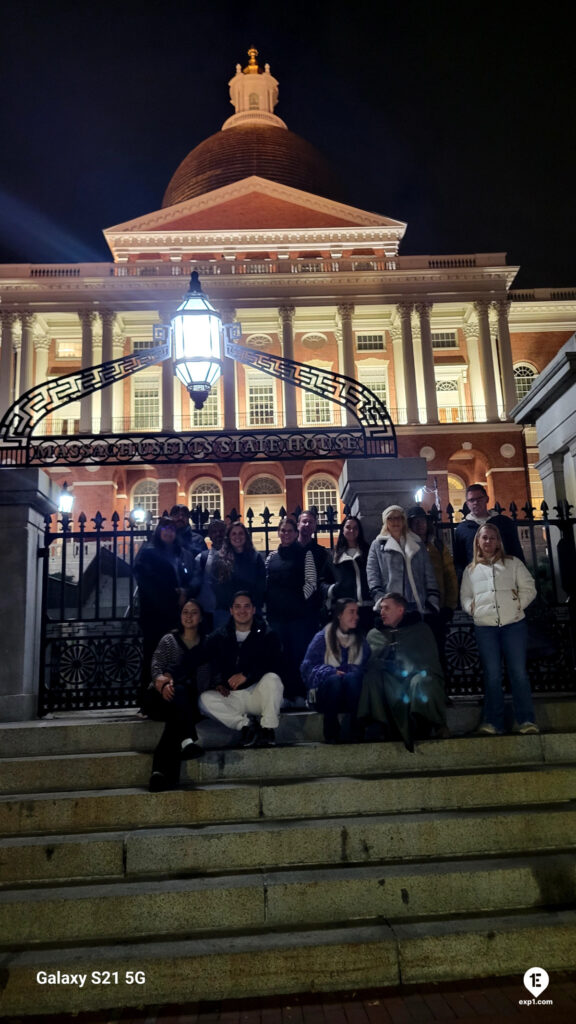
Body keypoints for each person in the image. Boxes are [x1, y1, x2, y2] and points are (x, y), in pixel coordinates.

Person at [460, 523, 538, 735]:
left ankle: (526, 720)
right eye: (484, 538)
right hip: (486, 627)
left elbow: (529, 587)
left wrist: (517, 605)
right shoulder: (471, 570)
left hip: (513, 625)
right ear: (478, 541)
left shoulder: (513, 564)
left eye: (492, 538)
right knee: (492, 674)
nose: (488, 542)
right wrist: (472, 608)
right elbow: (465, 596)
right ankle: (493, 721)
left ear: (498, 541)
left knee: (518, 673)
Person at [358, 592, 448, 751]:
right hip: (387, 680)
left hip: (414, 676)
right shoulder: (375, 634)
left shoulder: (420, 630)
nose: (381, 612)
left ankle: (426, 723)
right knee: (371, 678)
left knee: (423, 681)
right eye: (381, 608)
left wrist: (409, 669)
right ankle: (378, 724)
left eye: (386, 608)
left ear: (400, 610)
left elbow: (430, 662)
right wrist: (386, 663)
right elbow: (368, 663)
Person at [199, 591, 283, 747]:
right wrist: (217, 682)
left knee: (273, 679)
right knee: (204, 699)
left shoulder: (267, 634)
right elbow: (201, 658)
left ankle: (267, 728)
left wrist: (247, 675)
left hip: (256, 693)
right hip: (232, 696)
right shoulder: (219, 636)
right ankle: (246, 726)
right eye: (237, 607)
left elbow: (275, 662)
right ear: (231, 610)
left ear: (253, 609)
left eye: (246, 606)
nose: (242, 611)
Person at [143, 600, 206, 792]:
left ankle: (160, 774)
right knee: (178, 695)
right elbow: (156, 665)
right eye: (185, 612)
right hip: (160, 698)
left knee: (176, 717)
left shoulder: (206, 643)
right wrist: (162, 683)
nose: (188, 616)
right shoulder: (169, 640)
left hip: (186, 703)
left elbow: (207, 676)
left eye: (194, 612)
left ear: (201, 617)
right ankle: (187, 740)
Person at [134, 517, 196, 693]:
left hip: (174, 613)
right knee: (152, 656)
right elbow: (145, 580)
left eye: (172, 529)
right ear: (159, 532)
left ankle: (169, 695)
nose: (168, 532)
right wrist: (172, 592)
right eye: (165, 529)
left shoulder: (178, 554)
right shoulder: (148, 552)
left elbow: (186, 577)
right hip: (154, 614)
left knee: (173, 657)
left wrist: (184, 591)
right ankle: (147, 700)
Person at [301, 598, 370, 743]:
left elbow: (366, 667)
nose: (356, 616)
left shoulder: (360, 640)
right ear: (339, 615)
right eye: (351, 612)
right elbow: (307, 667)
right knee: (334, 680)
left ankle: (357, 729)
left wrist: (350, 672)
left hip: (351, 692)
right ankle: (331, 730)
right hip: (326, 693)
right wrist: (330, 671)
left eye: (357, 612)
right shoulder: (323, 637)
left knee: (353, 678)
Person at [265, 516, 317, 702]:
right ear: (279, 533)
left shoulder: (305, 554)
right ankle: (284, 694)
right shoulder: (271, 557)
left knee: (298, 654)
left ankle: (300, 692)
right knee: (281, 654)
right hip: (276, 616)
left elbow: (311, 582)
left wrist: (297, 600)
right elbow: (266, 583)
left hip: (298, 616)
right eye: (283, 530)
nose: (286, 534)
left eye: (289, 531)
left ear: (296, 533)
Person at [406, 505, 458, 672]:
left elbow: (450, 575)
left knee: (438, 653)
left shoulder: (438, 546)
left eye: (422, 521)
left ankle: (441, 693)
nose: (420, 525)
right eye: (415, 522)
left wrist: (449, 605)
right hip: (414, 608)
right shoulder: (406, 547)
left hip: (437, 607)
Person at [366, 505, 440, 619]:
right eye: (391, 518)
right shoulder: (377, 545)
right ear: (385, 521)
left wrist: (432, 599)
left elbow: (429, 573)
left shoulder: (417, 543)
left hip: (416, 602)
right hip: (391, 602)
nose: (395, 521)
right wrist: (379, 597)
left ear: (403, 520)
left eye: (399, 518)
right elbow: (372, 573)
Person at [453, 484, 524, 579]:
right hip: (476, 578)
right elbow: (460, 561)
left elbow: (515, 551)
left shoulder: (504, 523)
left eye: (479, 498)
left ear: (487, 499)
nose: (475, 502)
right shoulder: (462, 529)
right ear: (467, 504)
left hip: (504, 575)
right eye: (471, 500)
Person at [211, 522, 266, 628]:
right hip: (226, 611)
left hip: (250, 611)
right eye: (234, 534)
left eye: (241, 533)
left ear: (246, 536)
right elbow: (216, 585)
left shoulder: (256, 557)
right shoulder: (219, 558)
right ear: (229, 537)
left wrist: (249, 604)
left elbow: (261, 584)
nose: (237, 537)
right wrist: (234, 606)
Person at [326, 516, 374, 632]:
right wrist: (334, 589)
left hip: (368, 608)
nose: (351, 531)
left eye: (355, 528)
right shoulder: (334, 555)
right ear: (343, 530)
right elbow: (324, 580)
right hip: (345, 610)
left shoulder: (368, 552)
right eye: (348, 527)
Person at [190, 519, 227, 630]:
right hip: (206, 612)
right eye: (214, 532)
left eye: (221, 531)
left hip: (228, 611)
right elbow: (195, 584)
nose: (218, 534)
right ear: (209, 535)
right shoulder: (201, 558)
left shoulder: (235, 557)